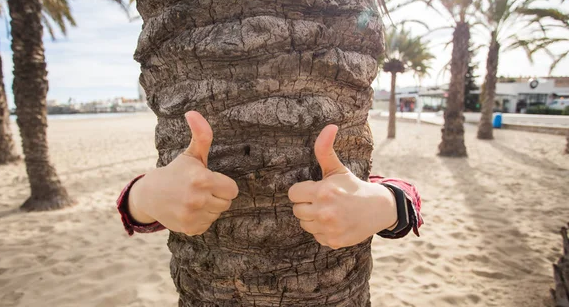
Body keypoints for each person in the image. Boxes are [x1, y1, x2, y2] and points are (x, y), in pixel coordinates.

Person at [117, 111, 423, 247]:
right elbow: (132, 213)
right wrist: (146, 194)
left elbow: (408, 197)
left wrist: (384, 204)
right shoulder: (187, 178)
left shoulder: (343, 179)